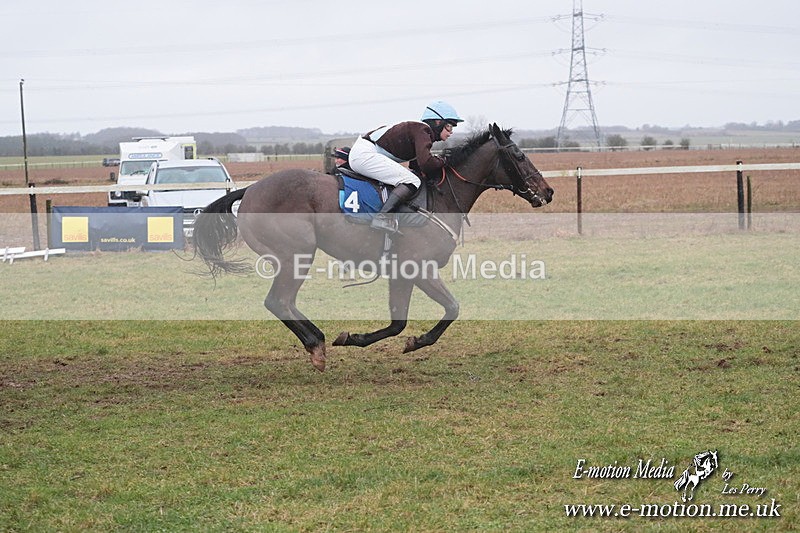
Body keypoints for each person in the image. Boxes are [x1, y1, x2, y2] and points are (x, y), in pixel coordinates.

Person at [348, 100, 463, 233]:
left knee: (413, 178)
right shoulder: (422, 130)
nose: (451, 131)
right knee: (412, 181)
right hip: (365, 154)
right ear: (438, 122)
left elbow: (416, 165)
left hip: (363, 153)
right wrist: (445, 160)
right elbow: (426, 163)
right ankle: (382, 217)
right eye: (449, 126)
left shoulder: (421, 132)